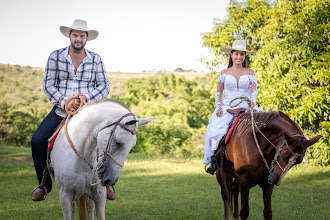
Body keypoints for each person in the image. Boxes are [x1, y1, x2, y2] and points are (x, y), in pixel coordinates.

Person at [30, 19, 115, 201]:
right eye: (75, 35)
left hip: (89, 112)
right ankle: (43, 184)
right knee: (37, 140)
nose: (78, 38)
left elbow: (104, 86)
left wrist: (85, 99)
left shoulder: (96, 59)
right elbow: (49, 85)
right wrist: (65, 102)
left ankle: (105, 183)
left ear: (87, 38)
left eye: (81, 35)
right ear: (69, 36)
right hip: (62, 110)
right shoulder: (55, 56)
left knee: (107, 139)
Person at [203, 40, 264, 174]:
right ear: (231, 55)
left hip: (246, 106)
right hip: (227, 107)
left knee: (264, 128)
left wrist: (251, 104)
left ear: (244, 56)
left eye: (242, 54)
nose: (239, 57)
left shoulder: (250, 72)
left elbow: (254, 91)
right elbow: (219, 91)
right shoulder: (224, 73)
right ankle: (214, 160)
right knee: (214, 131)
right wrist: (219, 107)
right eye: (236, 54)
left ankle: (266, 161)